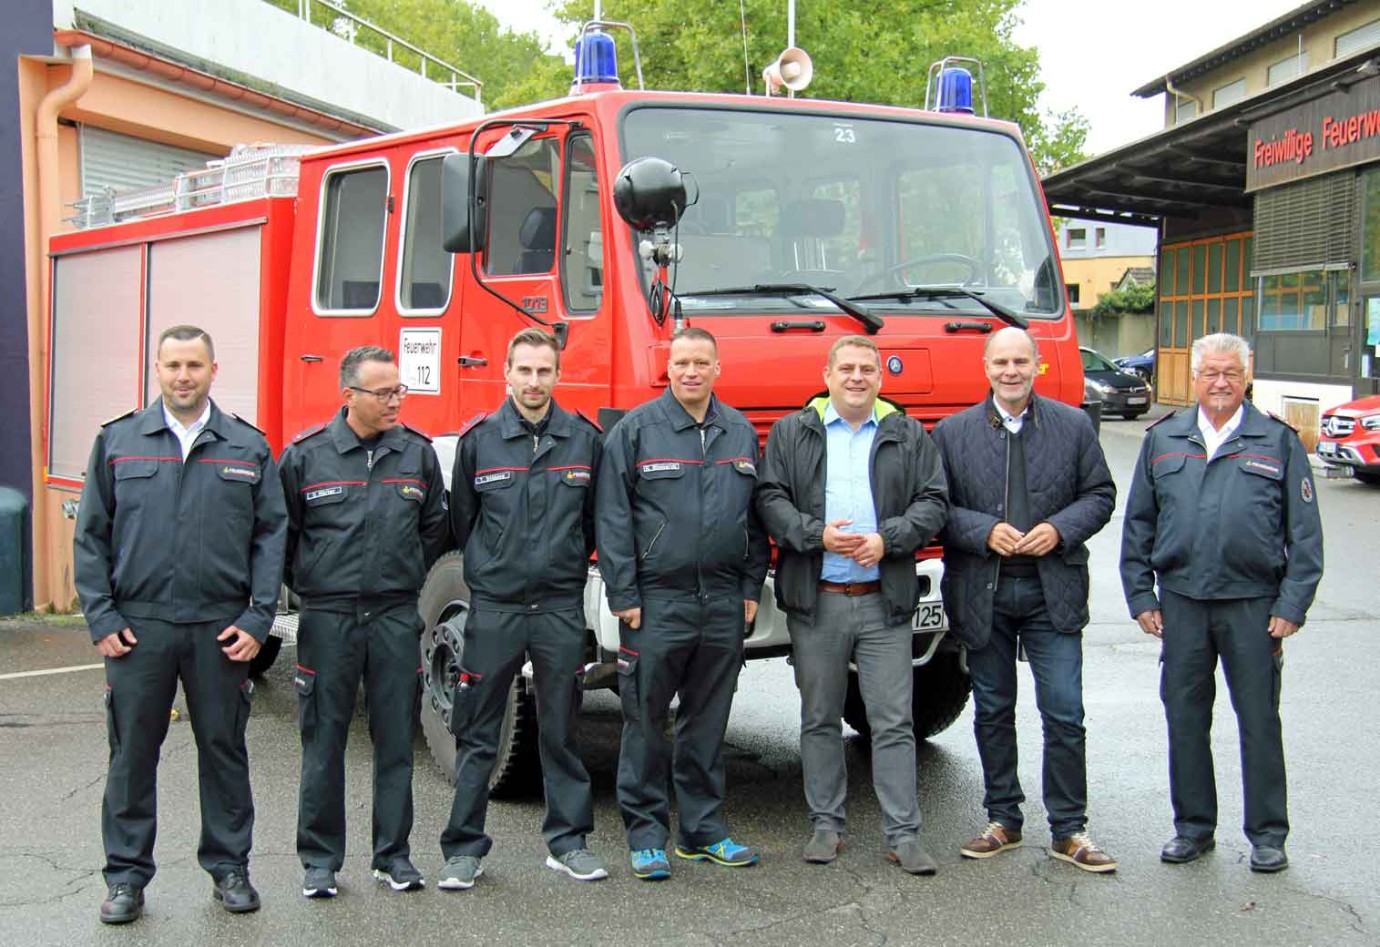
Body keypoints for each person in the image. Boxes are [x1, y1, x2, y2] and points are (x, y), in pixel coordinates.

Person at [74, 325, 287, 924]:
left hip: (220, 629)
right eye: (172, 365)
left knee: (223, 751)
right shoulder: (119, 442)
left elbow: (271, 537)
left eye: (194, 365)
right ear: (158, 370)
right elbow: (90, 535)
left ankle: (229, 868)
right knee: (132, 756)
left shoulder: (246, 447)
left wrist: (257, 617)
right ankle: (125, 879)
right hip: (137, 630)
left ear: (214, 370)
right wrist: (101, 615)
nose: (183, 376)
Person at [1121, 332, 1322, 874]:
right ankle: (1193, 828)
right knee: (1185, 719)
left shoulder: (1277, 440)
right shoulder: (1163, 440)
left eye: (1231, 372)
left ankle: (1268, 835)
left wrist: (1292, 604)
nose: (1220, 382)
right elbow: (1139, 523)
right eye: (1210, 372)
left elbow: (1305, 535)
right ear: (1194, 377)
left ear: (1247, 375)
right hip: (1182, 604)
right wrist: (1141, 593)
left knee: (1259, 721)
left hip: (1255, 607)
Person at [756, 335, 949, 874]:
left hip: (883, 602)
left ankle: (904, 834)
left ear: (880, 378)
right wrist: (816, 535)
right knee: (818, 718)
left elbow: (934, 501)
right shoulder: (795, 432)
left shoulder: (907, 432)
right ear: (828, 374)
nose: (857, 377)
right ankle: (825, 824)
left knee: (893, 722)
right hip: (817, 601)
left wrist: (890, 539)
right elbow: (770, 499)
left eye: (867, 369)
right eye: (847, 369)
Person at [930, 326, 1118, 873]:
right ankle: (1003, 819)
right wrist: (984, 530)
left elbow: (1101, 495)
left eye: (1021, 362)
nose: (1010, 371)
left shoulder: (1074, 426)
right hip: (982, 591)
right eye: (1000, 362)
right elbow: (936, 506)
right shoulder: (952, 433)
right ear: (985, 368)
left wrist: (1060, 529)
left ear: (1037, 366)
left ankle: (1069, 829)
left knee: (1064, 711)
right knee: (992, 710)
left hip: (1050, 589)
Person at [595, 326, 770, 881]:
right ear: (667, 370)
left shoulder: (739, 431)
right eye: (682, 363)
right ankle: (646, 836)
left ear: (719, 369)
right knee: (645, 721)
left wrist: (749, 588)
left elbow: (756, 520)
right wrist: (623, 593)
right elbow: (612, 517)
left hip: (721, 601)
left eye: (702, 362)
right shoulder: (636, 431)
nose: (691, 372)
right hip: (656, 603)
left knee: (707, 721)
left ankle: (702, 831)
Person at [437, 328, 607, 890]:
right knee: (480, 730)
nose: (534, 382)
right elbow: (464, 522)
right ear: (505, 374)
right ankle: (463, 849)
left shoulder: (584, 440)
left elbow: (593, 523)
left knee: (560, 729)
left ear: (557, 375)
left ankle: (568, 842)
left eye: (544, 371)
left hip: (558, 606)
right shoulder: (479, 442)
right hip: (496, 608)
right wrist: (496, 568)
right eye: (524, 371)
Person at [278, 346, 449, 898]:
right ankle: (321, 862)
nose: (396, 400)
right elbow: (282, 539)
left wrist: (399, 577)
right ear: (348, 396)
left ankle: (393, 856)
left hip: (395, 617)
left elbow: (433, 531)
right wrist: (316, 582)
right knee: (324, 740)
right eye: (384, 392)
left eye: (399, 390)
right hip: (328, 618)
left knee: (396, 739)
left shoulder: (417, 455)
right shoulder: (305, 457)